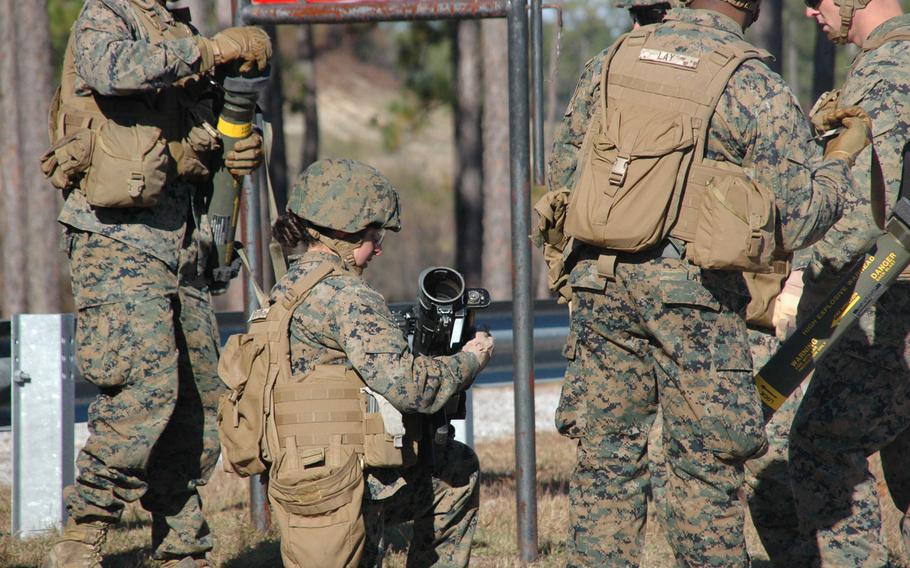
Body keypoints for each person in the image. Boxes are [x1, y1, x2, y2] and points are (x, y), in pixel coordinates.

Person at [542, 0, 871, 564]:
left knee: (606, 460)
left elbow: (564, 175)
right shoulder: (750, 81)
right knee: (705, 464)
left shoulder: (611, 60)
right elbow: (800, 213)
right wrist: (839, 159)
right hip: (694, 298)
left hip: (602, 285)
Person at [41, 1, 271, 566]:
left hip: (182, 244)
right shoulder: (107, 15)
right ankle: (84, 532)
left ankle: (181, 544)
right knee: (145, 389)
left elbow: (208, 130)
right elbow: (107, 68)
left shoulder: (179, 29)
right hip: (117, 240)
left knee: (196, 403)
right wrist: (213, 50)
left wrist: (244, 140)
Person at [263, 158, 494, 568]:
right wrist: (469, 360)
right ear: (344, 233)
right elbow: (413, 389)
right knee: (458, 471)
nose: (379, 248)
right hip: (348, 482)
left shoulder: (284, 290)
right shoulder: (350, 297)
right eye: (374, 236)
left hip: (291, 476)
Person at [778, 0, 910, 564]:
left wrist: (802, 272)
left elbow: (862, 213)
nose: (810, 11)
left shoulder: (885, 70)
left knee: (821, 448)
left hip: (889, 295)